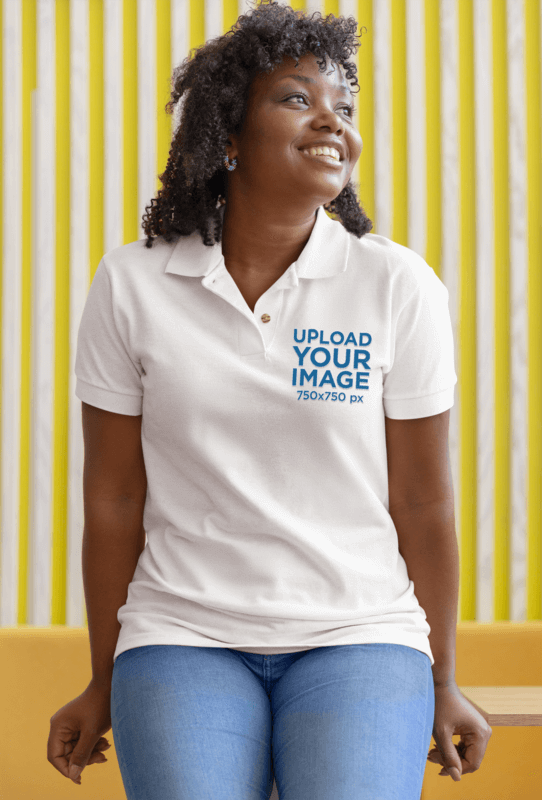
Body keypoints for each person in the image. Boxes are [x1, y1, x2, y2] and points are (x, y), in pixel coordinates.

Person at [47, 2, 491, 798]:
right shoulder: (133, 283)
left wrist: (444, 677)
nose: (333, 121)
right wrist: (102, 677)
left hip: (363, 635)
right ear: (227, 132)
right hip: (181, 633)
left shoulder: (396, 285)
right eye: (298, 98)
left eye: (344, 107)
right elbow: (113, 498)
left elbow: (423, 500)